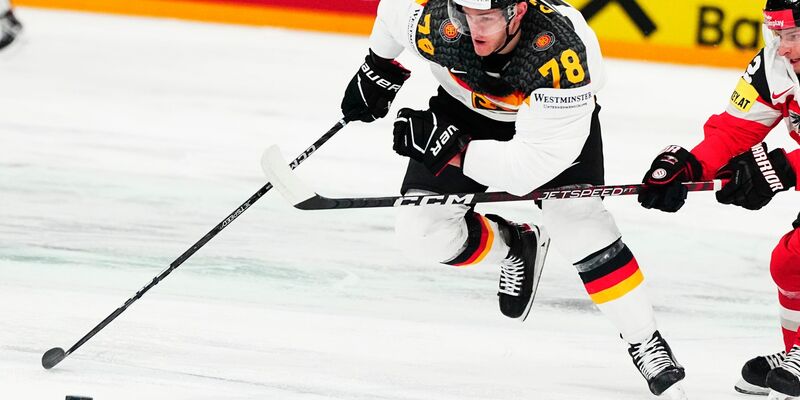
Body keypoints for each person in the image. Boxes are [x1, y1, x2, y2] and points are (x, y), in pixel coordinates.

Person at [339, 0, 686, 397]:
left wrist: (450, 151)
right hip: (463, 110)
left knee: (577, 221)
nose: (472, 29)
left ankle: (645, 339)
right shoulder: (433, 17)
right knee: (422, 234)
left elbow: (528, 170)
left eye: (485, 18)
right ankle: (517, 244)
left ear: (516, 11)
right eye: (463, 15)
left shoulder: (562, 51)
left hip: (547, 130)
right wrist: (378, 66)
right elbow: (391, 12)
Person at [637, 1, 800, 398]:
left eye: (792, 36)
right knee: (790, 263)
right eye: (777, 35)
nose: (781, 47)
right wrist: (693, 165)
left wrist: (786, 169)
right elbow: (733, 131)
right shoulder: (775, 66)